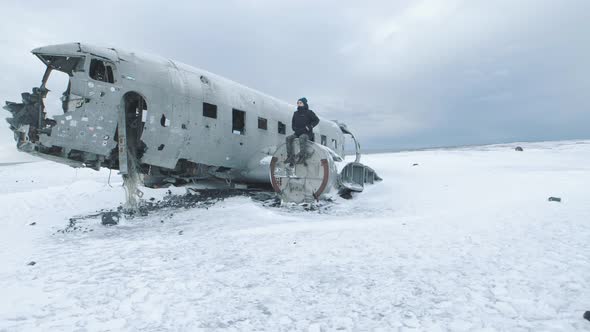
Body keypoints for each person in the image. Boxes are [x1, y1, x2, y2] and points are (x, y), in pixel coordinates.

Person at [285, 97, 320, 166]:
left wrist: (309, 127)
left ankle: (302, 157)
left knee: (302, 137)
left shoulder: (309, 112)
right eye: (298, 103)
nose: (298, 104)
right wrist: (294, 128)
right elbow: (293, 123)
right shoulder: (295, 113)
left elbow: (317, 120)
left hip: (307, 133)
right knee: (288, 138)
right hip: (297, 133)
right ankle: (290, 157)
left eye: (300, 103)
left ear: (304, 103)